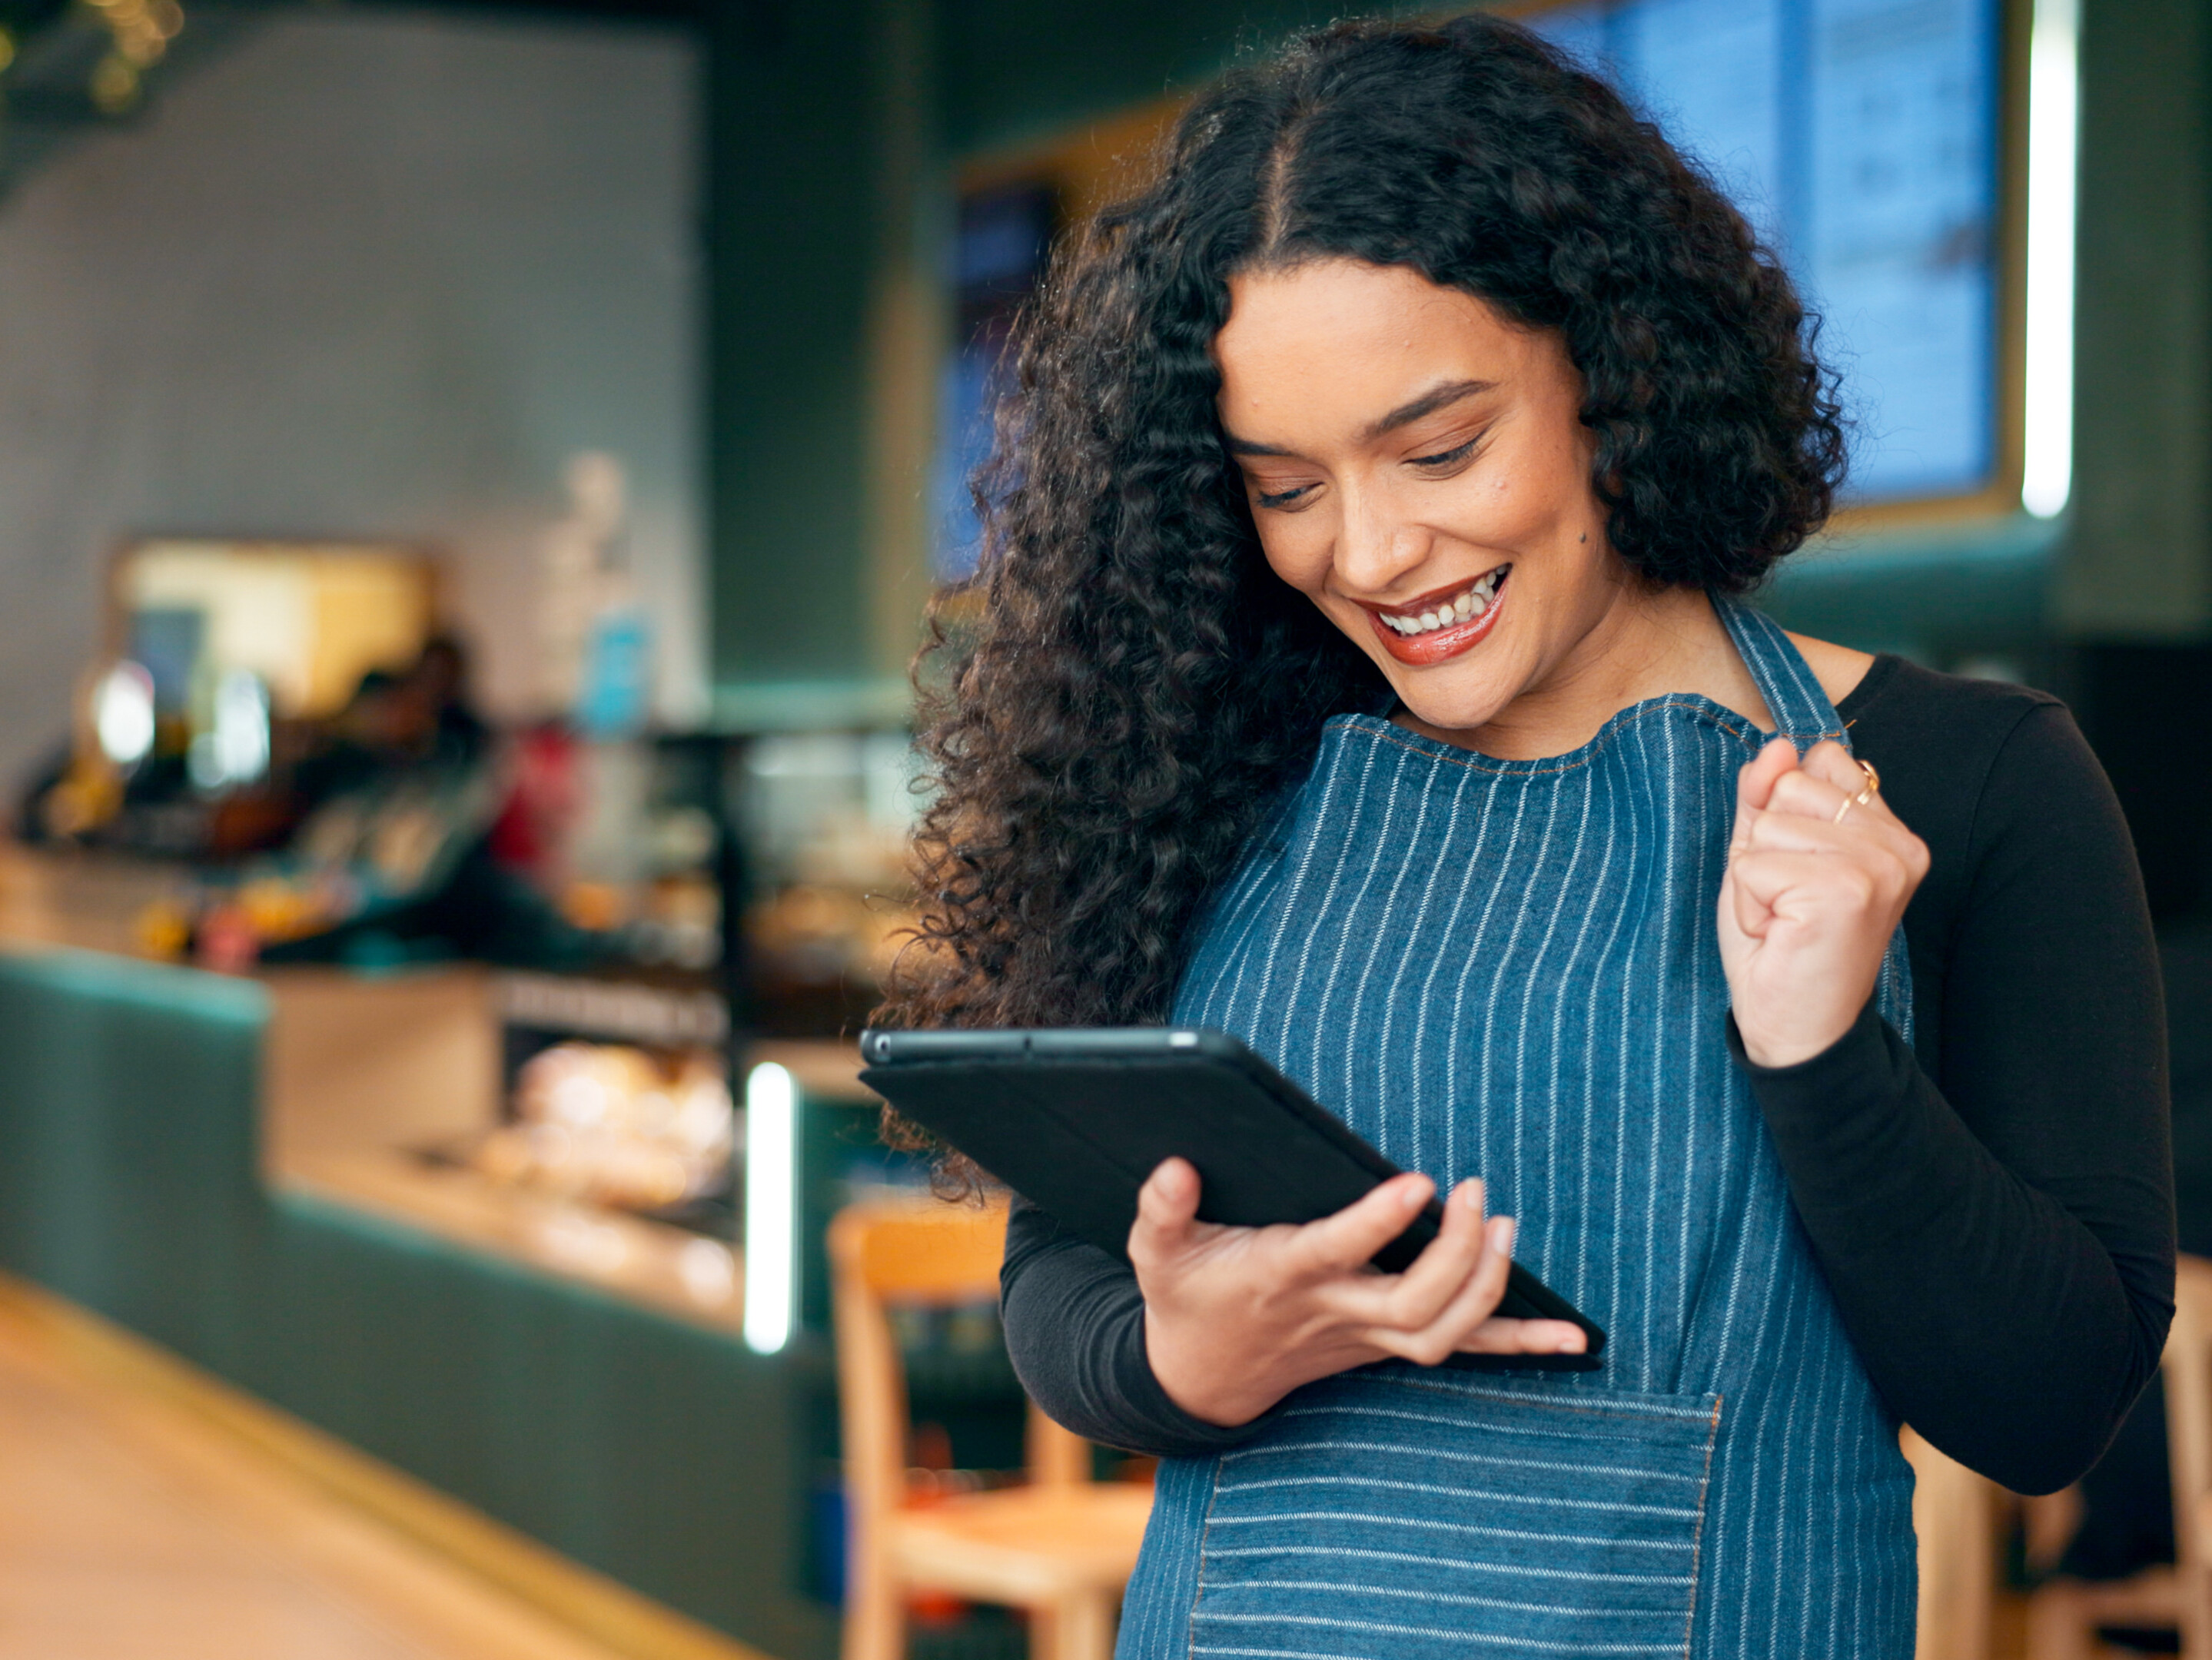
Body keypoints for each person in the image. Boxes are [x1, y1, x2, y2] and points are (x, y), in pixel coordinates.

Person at [875, 15, 2174, 1658]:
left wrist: (1820, 1055)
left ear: (1609, 373)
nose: (1371, 550)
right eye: (1283, 487)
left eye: (1439, 448)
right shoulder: (1220, 770)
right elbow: (1062, 1273)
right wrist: (1179, 1364)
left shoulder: (1960, 781)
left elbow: (2048, 1408)